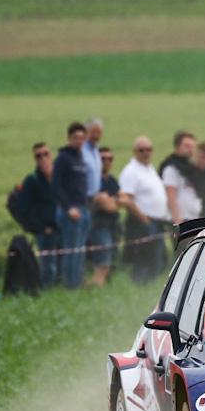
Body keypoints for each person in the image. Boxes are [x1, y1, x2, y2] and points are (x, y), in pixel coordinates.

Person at [118, 135, 171, 285]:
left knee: (159, 258)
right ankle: (139, 286)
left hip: (157, 221)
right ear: (135, 151)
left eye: (149, 149)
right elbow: (126, 198)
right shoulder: (131, 171)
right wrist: (143, 219)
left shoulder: (149, 168)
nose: (146, 153)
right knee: (144, 258)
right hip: (142, 222)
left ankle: (150, 286)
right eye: (142, 150)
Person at [10, 142, 61, 286]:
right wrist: (40, 227)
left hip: (62, 228)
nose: (43, 158)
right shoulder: (32, 180)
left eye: (46, 154)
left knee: (63, 267)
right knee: (48, 268)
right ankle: (46, 296)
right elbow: (22, 209)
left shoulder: (60, 178)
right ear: (35, 159)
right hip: (45, 231)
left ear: (51, 156)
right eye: (39, 156)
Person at [53, 122, 92, 289]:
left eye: (82, 138)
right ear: (69, 138)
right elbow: (56, 186)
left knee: (80, 251)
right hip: (70, 211)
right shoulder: (63, 158)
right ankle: (70, 286)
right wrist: (68, 208)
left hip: (83, 209)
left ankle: (77, 282)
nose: (79, 141)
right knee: (71, 251)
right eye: (75, 138)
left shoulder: (80, 158)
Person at [89, 146, 121, 286]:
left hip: (113, 226)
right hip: (99, 227)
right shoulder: (93, 181)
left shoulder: (111, 180)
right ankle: (95, 289)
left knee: (109, 264)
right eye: (103, 158)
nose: (107, 161)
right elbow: (109, 206)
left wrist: (112, 201)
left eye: (110, 158)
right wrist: (114, 202)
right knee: (102, 264)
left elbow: (124, 200)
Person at [159, 130, 202, 224]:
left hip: (194, 218)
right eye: (186, 146)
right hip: (182, 220)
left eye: (192, 146)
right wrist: (178, 222)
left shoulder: (191, 168)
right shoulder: (171, 168)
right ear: (177, 146)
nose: (190, 149)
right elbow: (171, 196)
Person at [83, 118, 104, 199]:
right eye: (93, 132)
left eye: (99, 132)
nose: (96, 136)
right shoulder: (81, 150)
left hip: (95, 197)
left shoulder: (96, 150)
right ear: (85, 133)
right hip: (83, 197)